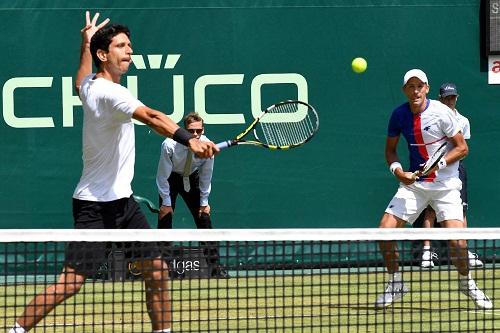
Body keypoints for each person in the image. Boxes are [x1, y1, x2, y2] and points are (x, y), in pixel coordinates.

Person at [9, 11, 218, 333]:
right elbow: (151, 116)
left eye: (130, 46)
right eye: (121, 46)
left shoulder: (91, 85)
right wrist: (190, 140)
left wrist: (84, 44)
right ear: (104, 55)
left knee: (158, 271)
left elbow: (79, 80)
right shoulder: (112, 93)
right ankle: (16, 330)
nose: (129, 52)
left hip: (124, 204)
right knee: (71, 283)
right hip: (94, 206)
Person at [375, 69, 492, 310]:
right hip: (415, 186)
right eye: (411, 86)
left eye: (420, 86)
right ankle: (396, 283)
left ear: (427, 88)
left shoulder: (443, 113)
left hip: (446, 186)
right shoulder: (398, 115)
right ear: (405, 90)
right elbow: (390, 151)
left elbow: (462, 148)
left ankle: (466, 282)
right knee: (384, 232)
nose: (415, 90)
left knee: (458, 243)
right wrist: (398, 172)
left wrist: (438, 165)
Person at [416, 83, 483, 269]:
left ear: (457, 98)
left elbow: (462, 148)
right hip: (431, 169)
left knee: (461, 210)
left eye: (452, 97)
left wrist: (447, 162)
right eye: (446, 97)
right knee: (429, 211)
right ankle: (427, 253)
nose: (449, 100)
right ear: (440, 98)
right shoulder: (430, 116)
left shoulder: (463, 121)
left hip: (455, 171)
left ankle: (464, 251)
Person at [156, 112, 228, 278]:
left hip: (194, 178)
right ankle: (163, 269)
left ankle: (216, 269)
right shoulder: (169, 144)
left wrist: (204, 202)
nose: (195, 134)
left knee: (204, 217)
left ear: (203, 130)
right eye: (191, 131)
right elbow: (162, 176)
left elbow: (206, 175)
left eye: (199, 131)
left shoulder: (207, 145)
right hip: (171, 179)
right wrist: (166, 203)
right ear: (184, 130)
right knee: (165, 218)